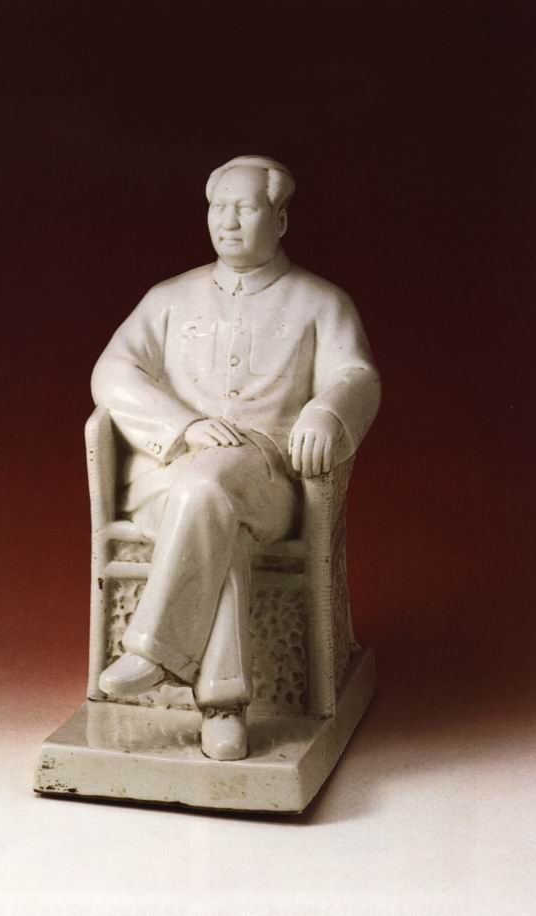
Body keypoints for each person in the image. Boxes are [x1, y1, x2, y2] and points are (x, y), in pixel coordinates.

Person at [91, 155, 380, 760]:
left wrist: (327, 413)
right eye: (218, 208)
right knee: (210, 507)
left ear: (280, 219)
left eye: (244, 209)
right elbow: (112, 372)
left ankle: (154, 651)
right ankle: (221, 705)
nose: (227, 222)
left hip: (268, 483)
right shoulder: (168, 298)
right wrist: (184, 426)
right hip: (166, 479)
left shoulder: (321, 302)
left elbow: (356, 375)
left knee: (211, 492)